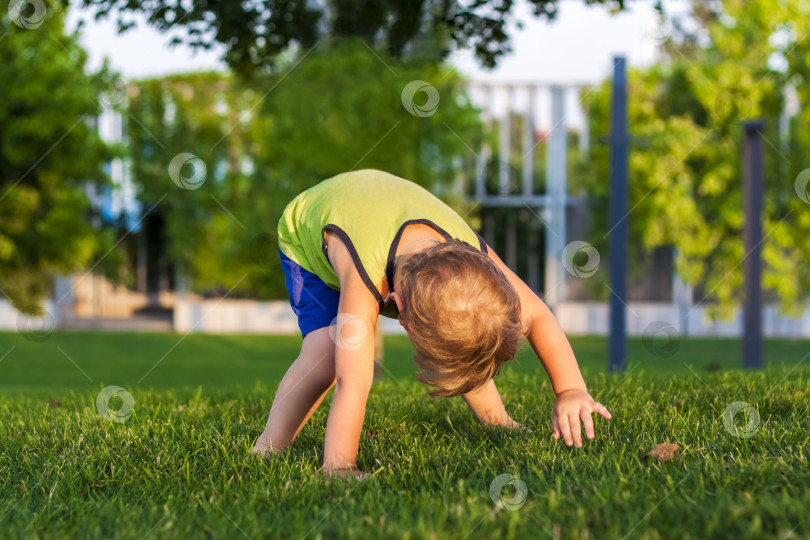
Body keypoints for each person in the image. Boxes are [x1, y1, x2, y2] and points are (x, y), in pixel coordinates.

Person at [252, 169, 611, 479]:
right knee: (326, 354)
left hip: (380, 207)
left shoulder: (475, 257)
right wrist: (340, 465)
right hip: (313, 233)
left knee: (465, 331)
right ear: (398, 307)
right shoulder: (365, 280)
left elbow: (537, 315)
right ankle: (269, 445)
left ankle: (498, 421)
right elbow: (353, 378)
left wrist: (571, 390)